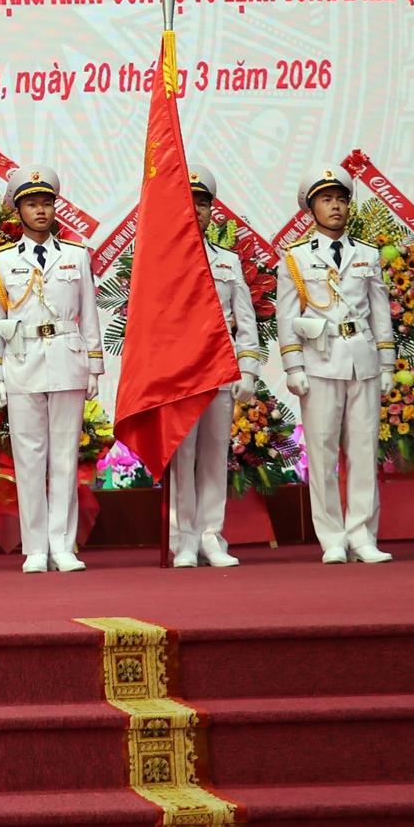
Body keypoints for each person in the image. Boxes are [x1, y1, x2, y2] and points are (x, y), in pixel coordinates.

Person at [0, 165, 104, 573]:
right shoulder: (0, 262)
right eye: (31, 204)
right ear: (18, 211)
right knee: (29, 458)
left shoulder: (76, 256)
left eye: (46, 203)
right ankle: (35, 547)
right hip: (22, 361)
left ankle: (63, 545)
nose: (40, 211)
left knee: (65, 456)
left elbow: (89, 314)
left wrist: (94, 367)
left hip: (68, 359)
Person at [277, 168, 396, 564]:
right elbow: (286, 315)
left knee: (363, 450)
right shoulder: (295, 257)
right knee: (322, 451)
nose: (336, 207)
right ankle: (332, 538)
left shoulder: (367, 254)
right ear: (310, 208)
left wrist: (387, 364)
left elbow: (380, 313)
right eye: (326, 200)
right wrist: (293, 366)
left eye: (341, 199)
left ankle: (362, 535)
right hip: (320, 360)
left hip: (363, 360)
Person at [167, 167, 262, 568]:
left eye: (203, 203)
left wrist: (249, 369)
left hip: (220, 369)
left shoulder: (227, 261)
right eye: (189, 203)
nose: (197, 210)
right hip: (180, 375)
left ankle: (211, 536)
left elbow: (245, 319)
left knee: (213, 456)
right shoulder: (161, 261)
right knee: (182, 458)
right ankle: (183, 539)